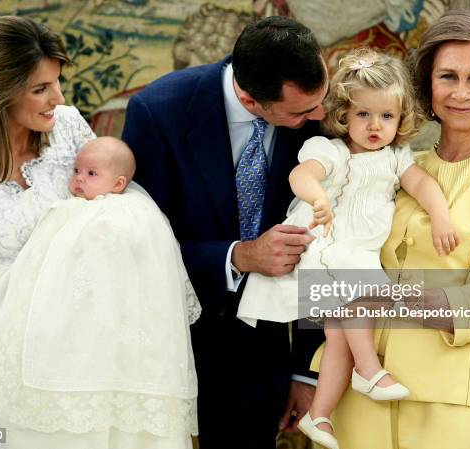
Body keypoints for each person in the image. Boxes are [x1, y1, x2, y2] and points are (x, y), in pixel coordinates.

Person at [309, 9, 470, 449]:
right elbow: (330, 262)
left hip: (453, 403)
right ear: (427, 84)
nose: (461, 93)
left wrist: (380, 295)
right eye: (447, 76)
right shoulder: (394, 167)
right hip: (359, 394)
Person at [122, 15, 328, 449]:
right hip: (169, 341)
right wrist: (239, 257)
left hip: (262, 355)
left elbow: (330, 252)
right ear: (252, 101)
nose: (322, 115)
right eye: (303, 111)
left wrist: (305, 371)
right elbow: (139, 247)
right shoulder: (158, 113)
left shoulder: (318, 116)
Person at [237, 48, 459, 449]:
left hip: (357, 253)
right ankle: (369, 369)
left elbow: (423, 185)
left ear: (400, 120)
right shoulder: (334, 152)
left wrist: (440, 215)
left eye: (386, 117)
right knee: (365, 294)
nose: (375, 126)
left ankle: (320, 416)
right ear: (343, 115)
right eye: (363, 115)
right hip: (327, 245)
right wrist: (318, 197)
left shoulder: (396, 158)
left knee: (340, 335)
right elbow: (302, 174)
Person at [0, 136, 201, 449]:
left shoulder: (115, 207)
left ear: (117, 184)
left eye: (90, 174)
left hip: (80, 351)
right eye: (77, 170)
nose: (77, 178)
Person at [0, 15, 95, 449]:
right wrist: (45, 303)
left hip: (77, 357)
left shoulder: (70, 130)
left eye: (57, 82)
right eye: (40, 89)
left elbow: (110, 223)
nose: (58, 98)